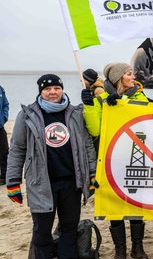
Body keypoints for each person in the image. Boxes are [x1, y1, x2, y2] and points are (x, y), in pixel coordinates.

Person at [6, 74, 98, 258]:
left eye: (56, 88)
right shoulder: (27, 115)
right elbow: (17, 149)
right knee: (41, 232)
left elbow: (87, 144)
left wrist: (92, 173)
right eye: (47, 89)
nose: (53, 92)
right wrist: (13, 182)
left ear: (62, 89)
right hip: (41, 183)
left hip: (72, 183)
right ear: (41, 92)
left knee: (69, 229)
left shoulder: (74, 113)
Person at [83, 62, 149, 259]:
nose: (133, 76)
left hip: (136, 157)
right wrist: (89, 105)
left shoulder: (140, 95)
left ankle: (138, 247)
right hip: (111, 159)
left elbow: (152, 118)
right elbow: (95, 129)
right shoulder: (101, 98)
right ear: (118, 78)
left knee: (137, 202)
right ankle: (120, 249)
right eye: (128, 74)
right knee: (114, 204)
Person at [0, 84, 9, 185]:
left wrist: (4, 117)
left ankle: (4, 177)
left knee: (4, 152)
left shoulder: (0, 89)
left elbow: (5, 104)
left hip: (0, 127)